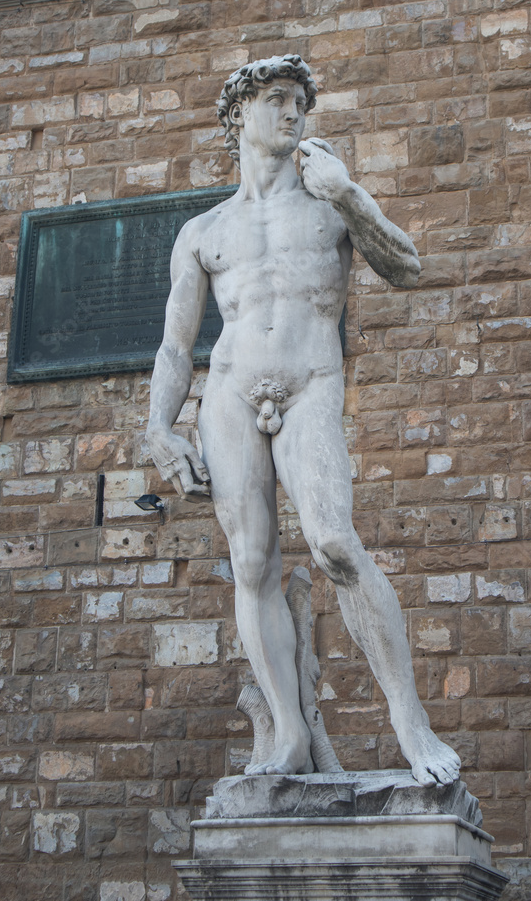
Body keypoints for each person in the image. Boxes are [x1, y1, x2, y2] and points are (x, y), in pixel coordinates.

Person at [146, 54, 461, 787]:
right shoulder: (203, 229)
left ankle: (410, 723)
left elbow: (408, 266)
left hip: (310, 383)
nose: (293, 114)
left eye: (299, 102)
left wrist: (351, 196)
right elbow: (173, 340)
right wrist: (159, 427)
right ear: (240, 117)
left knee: (333, 543)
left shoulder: (328, 202)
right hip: (228, 394)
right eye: (278, 101)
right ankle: (288, 735)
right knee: (252, 563)